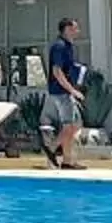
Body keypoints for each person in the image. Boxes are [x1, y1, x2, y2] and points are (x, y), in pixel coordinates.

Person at [42, 18, 88, 168]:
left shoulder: (68, 46)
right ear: (67, 29)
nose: (77, 31)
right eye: (75, 28)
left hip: (65, 91)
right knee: (69, 126)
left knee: (75, 125)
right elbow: (57, 71)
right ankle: (51, 149)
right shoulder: (59, 46)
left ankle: (68, 161)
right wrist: (72, 90)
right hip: (60, 91)